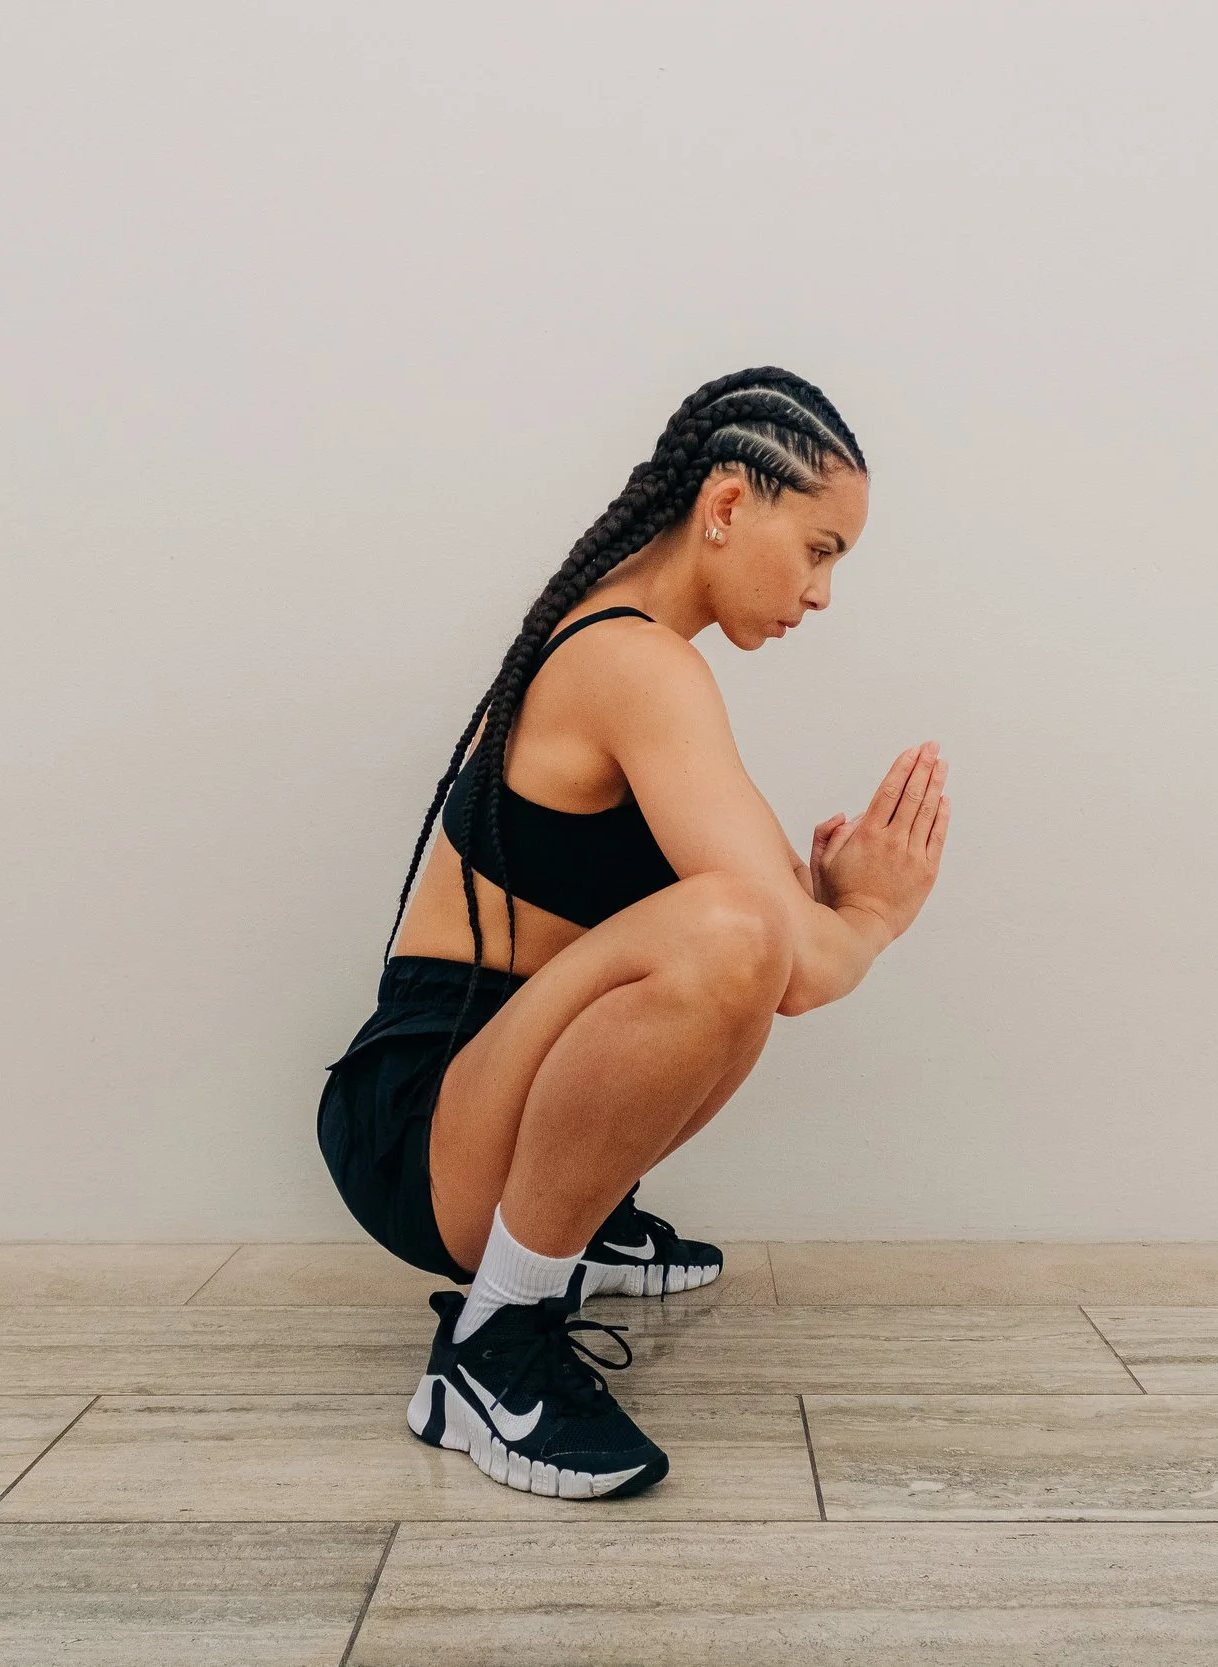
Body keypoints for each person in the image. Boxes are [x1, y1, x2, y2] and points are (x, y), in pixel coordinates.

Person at [317, 366, 950, 1499]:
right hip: (419, 1118)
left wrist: (818, 901)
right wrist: (870, 914)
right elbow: (796, 957)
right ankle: (490, 1342)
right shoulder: (631, 660)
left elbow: (773, 920)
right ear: (723, 507)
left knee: (740, 935)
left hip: (479, 1086)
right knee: (734, 937)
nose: (822, 592)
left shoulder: (640, 647)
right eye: (818, 548)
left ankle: (578, 1217)